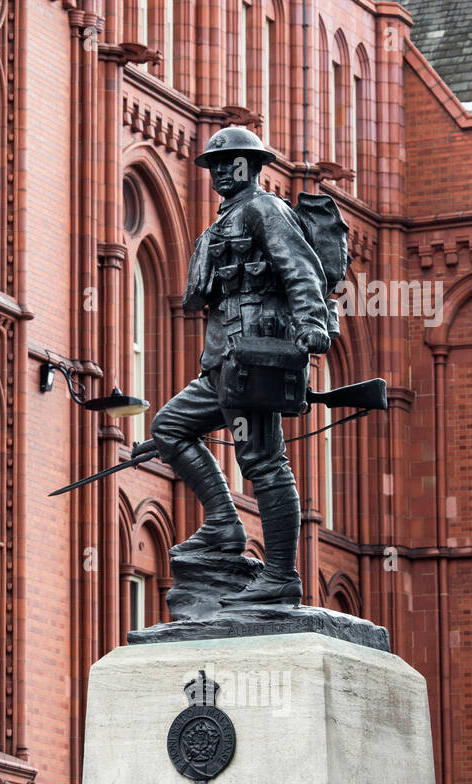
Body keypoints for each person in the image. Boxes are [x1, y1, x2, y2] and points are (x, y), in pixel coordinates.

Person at [144, 126, 331, 606]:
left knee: (264, 463)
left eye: (232, 163)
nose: (222, 171)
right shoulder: (217, 228)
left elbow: (300, 268)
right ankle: (225, 524)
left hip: (258, 357)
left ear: (253, 165)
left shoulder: (265, 209)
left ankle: (282, 575)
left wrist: (313, 325)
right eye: (215, 165)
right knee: (169, 427)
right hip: (223, 361)